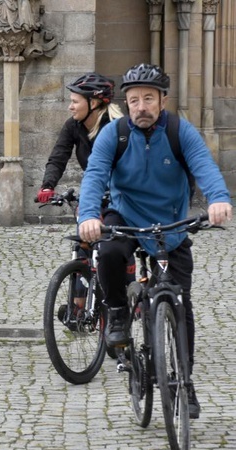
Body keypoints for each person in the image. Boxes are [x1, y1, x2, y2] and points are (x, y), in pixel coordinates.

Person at [77, 63, 233, 419]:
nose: (141, 106)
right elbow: (96, 175)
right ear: (126, 103)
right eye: (134, 100)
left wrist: (219, 199)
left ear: (162, 100)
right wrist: (88, 216)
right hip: (127, 215)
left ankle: (185, 381)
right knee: (110, 252)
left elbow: (203, 166)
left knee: (181, 302)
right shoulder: (113, 135)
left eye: (149, 99)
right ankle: (117, 312)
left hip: (172, 223)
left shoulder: (181, 131)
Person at [36, 72, 123, 203]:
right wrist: (48, 186)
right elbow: (58, 158)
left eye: (75, 102)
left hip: (122, 194)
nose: (70, 107)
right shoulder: (73, 125)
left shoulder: (117, 128)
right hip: (94, 191)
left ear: (92, 103)